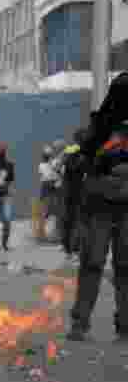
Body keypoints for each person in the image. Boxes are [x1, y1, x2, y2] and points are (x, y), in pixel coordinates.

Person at [68, 74, 128, 341]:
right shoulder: (99, 129)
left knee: (122, 266)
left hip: (119, 207)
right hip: (99, 207)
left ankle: (122, 324)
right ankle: (81, 323)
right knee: (93, 263)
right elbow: (81, 164)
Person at [61, 129, 88, 258]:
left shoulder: (84, 152)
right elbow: (70, 167)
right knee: (71, 220)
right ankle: (69, 249)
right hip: (70, 191)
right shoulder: (72, 151)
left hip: (78, 191)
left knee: (77, 221)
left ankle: (74, 249)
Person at [0, 142, 15, 252]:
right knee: (6, 221)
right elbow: (9, 182)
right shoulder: (9, 165)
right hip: (3, 197)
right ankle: (2, 244)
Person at [35, 145, 58, 242]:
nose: (47, 156)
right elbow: (47, 176)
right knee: (45, 213)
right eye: (46, 155)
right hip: (48, 189)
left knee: (52, 213)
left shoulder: (48, 164)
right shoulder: (42, 165)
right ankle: (41, 234)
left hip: (52, 188)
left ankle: (52, 234)